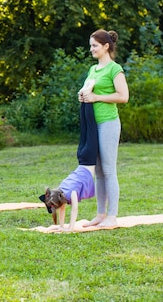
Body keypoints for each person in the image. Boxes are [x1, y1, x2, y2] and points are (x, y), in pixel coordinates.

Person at [80, 30, 129, 228]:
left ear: (106, 46)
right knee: (98, 171)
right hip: (93, 124)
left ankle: (112, 216)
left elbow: (123, 96)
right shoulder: (93, 70)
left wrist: (97, 98)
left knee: (109, 170)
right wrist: (83, 96)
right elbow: (89, 91)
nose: (91, 49)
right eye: (91, 45)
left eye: (95, 46)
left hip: (108, 123)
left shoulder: (114, 69)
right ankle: (100, 214)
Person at [39, 81, 98, 231]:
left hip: (89, 157)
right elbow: (63, 209)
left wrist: (70, 228)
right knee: (84, 126)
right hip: (81, 156)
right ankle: (84, 96)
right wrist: (60, 227)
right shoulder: (60, 190)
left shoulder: (69, 194)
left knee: (89, 125)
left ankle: (87, 94)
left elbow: (74, 211)